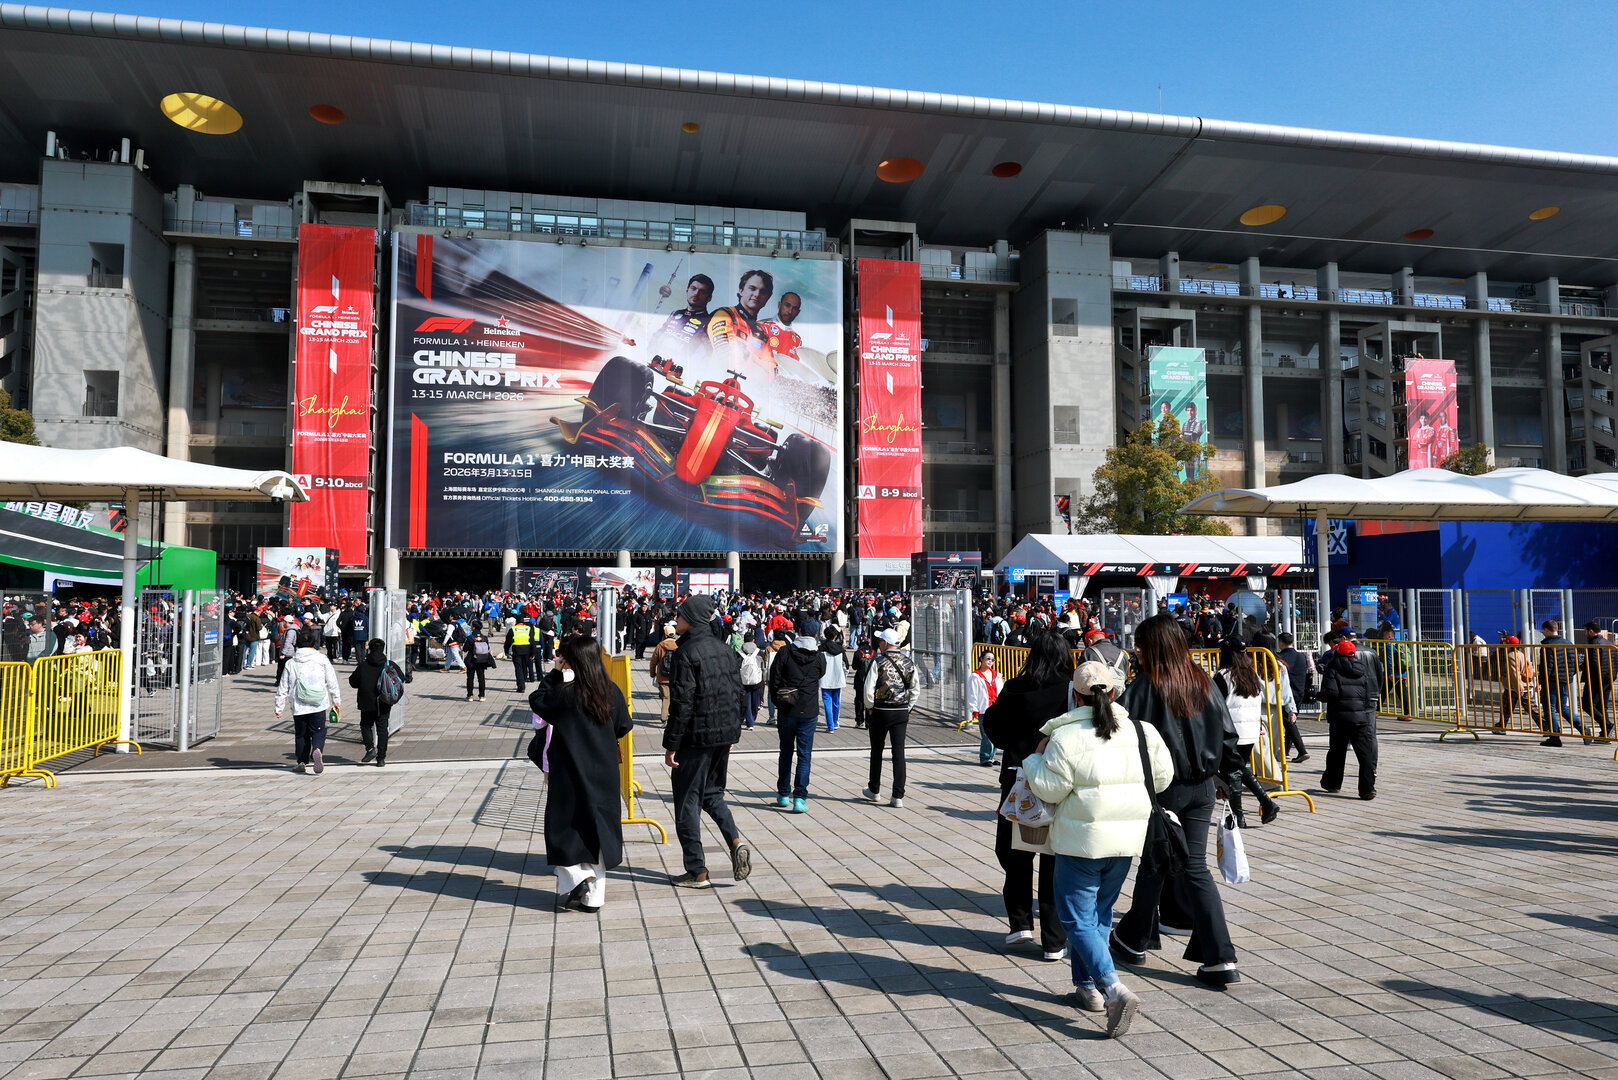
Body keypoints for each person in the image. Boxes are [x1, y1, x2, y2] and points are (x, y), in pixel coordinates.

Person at [1022, 660, 1173, 1036]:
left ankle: (1112, 987)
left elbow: (1049, 790)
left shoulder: (1065, 737)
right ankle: (1086, 988)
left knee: (1075, 918)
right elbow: (1164, 777)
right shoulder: (1141, 731)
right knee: (1099, 916)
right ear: (1115, 692)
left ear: (1074, 696)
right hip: (1125, 840)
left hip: (1080, 841)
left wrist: (1032, 758)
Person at [1109, 614, 1245, 988]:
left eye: (1140, 644)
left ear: (1153, 647)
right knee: (1172, 863)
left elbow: (1120, 741)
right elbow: (1229, 738)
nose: (1135, 650)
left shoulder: (1140, 690)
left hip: (1163, 789)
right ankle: (1135, 936)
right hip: (1202, 786)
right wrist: (1227, 778)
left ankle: (1217, 954)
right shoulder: (1204, 683)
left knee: (1170, 863)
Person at [981, 632, 1073, 962]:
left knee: (1014, 851)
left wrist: (1016, 744)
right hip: (1060, 781)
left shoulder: (1016, 687)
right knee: (1053, 857)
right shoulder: (1071, 689)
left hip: (1018, 777)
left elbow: (991, 724)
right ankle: (1053, 940)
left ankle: (1019, 922)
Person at [530, 636, 634, 913]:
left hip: (570, 772)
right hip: (605, 771)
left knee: (560, 830)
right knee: (598, 834)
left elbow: (538, 701)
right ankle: (593, 900)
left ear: (572, 661)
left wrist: (554, 672)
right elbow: (624, 725)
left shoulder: (565, 693)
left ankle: (578, 877)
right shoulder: (610, 690)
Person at [662, 594, 751, 889]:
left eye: (681, 614)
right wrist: (733, 732)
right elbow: (738, 694)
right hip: (723, 735)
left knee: (687, 800)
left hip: (694, 738)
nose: (677, 617)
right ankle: (735, 840)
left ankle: (696, 870)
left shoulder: (684, 653)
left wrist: (671, 744)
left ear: (693, 619)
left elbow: (682, 704)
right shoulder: (725, 650)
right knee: (712, 794)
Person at [1213, 639, 1280, 827]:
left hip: (1231, 731)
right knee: (1238, 767)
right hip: (1250, 731)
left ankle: (1240, 816)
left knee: (1233, 771)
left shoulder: (1223, 675)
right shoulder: (1252, 675)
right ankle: (1266, 804)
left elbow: (1215, 704)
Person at [769, 617, 826, 813]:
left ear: (799, 632)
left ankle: (784, 794)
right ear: (817, 635)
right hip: (808, 710)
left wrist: (777, 701)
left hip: (787, 708)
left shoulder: (785, 651)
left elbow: (774, 677)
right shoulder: (819, 656)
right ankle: (800, 797)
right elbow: (820, 674)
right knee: (804, 755)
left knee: (785, 752)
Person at [1318, 637, 1382, 799]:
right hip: (1361, 717)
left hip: (1339, 717)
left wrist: (1318, 696)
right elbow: (1369, 693)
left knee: (1337, 752)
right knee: (1365, 754)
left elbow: (1330, 693)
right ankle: (1367, 789)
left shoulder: (1332, 669)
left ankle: (1332, 783)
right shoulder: (1362, 670)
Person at [861, 628, 916, 809]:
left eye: (880, 641)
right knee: (898, 753)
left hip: (881, 710)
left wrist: (870, 707)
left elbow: (868, 689)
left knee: (877, 750)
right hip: (901, 711)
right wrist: (908, 707)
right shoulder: (909, 662)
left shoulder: (879, 661)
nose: (879, 644)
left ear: (885, 643)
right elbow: (915, 689)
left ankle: (874, 789)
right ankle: (897, 795)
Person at [275, 626, 342, 775]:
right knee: (319, 731)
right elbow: (332, 681)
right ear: (313, 643)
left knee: (301, 734)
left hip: (298, 704)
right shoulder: (321, 659)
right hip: (318, 702)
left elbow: (283, 686)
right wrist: (336, 700)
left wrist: (279, 707)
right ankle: (317, 748)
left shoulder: (291, 663)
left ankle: (302, 762)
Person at [349, 638, 400, 766]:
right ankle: (381, 758)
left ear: (370, 649)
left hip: (366, 702)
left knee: (366, 725)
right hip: (384, 702)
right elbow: (403, 679)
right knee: (382, 729)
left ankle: (370, 749)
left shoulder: (363, 665)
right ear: (383, 649)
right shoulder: (389, 664)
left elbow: (353, 682)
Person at [1538, 619, 1586, 746]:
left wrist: (1541, 681)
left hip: (1552, 681)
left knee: (1550, 709)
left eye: (1544, 630)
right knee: (1562, 707)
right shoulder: (1568, 643)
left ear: (1547, 630)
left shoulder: (1547, 645)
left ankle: (1555, 738)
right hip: (1565, 680)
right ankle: (1583, 729)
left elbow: (1547, 666)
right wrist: (1569, 675)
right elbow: (1576, 663)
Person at [1273, 632, 1314, 762]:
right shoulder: (1301, 656)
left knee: (1289, 722)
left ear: (1281, 643)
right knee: (1292, 720)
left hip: (1287, 693)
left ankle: (1302, 750)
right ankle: (1285, 751)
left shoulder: (1280, 658)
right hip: (1299, 692)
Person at [968, 650, 1004, 767]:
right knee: (986, 735)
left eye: (992, 659)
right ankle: (985, 757)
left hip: (997, 709)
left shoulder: (997, 675)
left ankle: (991, 757)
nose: (990, 661)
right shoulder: (975, 676)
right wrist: (974, 709)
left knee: (996, 734)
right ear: (982, 659)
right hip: (984, 709)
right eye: (988, 658)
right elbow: (972, 694)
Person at [1580, 623, 1615, 739]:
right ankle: (1605, 733)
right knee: (1602, 707)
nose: (1585, 634)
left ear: (1590, 631)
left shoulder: (1593, 644)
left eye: (1585, 631)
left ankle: (1607, 725)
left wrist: (1582, 667)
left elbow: (1593, 663)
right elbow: (1615, 662)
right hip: (1608, 678)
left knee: (1586, 705)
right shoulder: (1609, 643)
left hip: (1595, 678)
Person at [650, 625, 679, 723]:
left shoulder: (660, 646)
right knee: (671, 697)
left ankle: (664, 718)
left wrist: (652, 674)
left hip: (662, 677)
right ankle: (669, 715)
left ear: (665, 634)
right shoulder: (678, 645)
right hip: (675, 677)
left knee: (665, 697)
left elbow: (653, 661)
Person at [819, 626, 845, 732]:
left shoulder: (820, 649)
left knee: (827, 702)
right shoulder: (840, 649)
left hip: (825, 679)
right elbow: (846, 666)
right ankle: (835, 722)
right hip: (838, 678)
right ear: (835, 636)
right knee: (836, 702)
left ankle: (830, 726)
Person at [464, 621, 495, 701]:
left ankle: (470, 695)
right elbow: (487, 648)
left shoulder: (470, 637)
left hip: (471, 660)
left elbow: (465, 649)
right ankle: (482, 695)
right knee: (481, 678)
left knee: (470, 678)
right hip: (482, 660)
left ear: (473, 628)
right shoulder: (485, 638)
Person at [738, 637, 765, 730]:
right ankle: (753, 718)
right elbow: (763, 668)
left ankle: (749, 722)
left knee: (747, 701)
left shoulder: (739, 653)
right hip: (757, 681)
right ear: (753, 640)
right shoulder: (759, 652)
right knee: (755, 701)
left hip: (744, 681)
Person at [506, 617, 537, 694]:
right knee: (524, 667)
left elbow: (508, 641)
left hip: (517, 650)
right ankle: (523, 682)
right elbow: (532, 641)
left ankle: (521, 686)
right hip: (527, 650)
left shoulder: (513, 629)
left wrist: (506, 651)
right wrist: (533, 653)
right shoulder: (528, 629)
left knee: (518, 668)